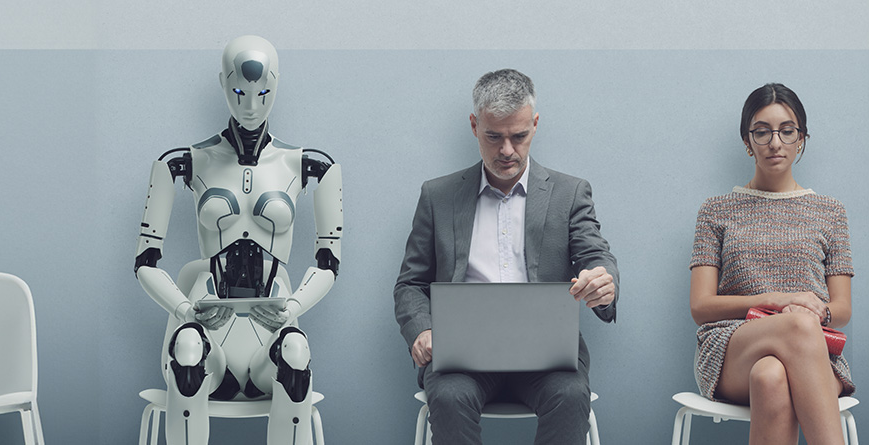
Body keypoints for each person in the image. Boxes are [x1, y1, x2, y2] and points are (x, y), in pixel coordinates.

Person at [134, 35, 343, 445]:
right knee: (189, 347)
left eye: (262, 93)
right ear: (222, 84)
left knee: (297, 353)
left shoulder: (310, 165)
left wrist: (294, 306)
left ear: (277, 85)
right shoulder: (183, 162)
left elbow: (329, 262)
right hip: (207, 331)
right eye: (239, 92)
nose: (250, 106)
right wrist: (183, 307)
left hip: (274, 332)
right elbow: (144, 260)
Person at [394, 68, 619, 444]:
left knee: (569, 395)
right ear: (473, 125)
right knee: (448, 398)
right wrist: (421, 329)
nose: (506, 151)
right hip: (460, 357)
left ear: (535, 124)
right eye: (493, 136)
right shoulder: (438, 196)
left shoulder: (569, 193)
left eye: (519, 136)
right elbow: (410, 284)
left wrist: (602, 281)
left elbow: (595, 254)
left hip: (548, 359)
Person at [688, 83, 854, 445]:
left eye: (786, 130)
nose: (774, 142)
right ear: (748, 142)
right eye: (762, 132)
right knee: (792, 328)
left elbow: (841, 309)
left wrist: (814, 316)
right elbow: (701, 308)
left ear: (802, 138)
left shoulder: (831, 212)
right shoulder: (716, 211)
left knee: (770, 377)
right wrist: (777, 300)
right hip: (731, 349)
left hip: (811, 348)